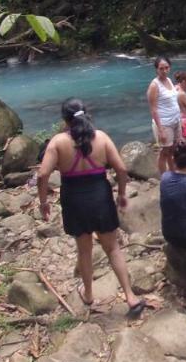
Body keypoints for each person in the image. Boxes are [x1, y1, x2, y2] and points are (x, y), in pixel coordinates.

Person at [37, 98, 143, 314]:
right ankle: (130, 296)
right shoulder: (102, 138)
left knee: (84, 251)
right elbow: (121, 169)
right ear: (87, 114)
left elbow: (42, 174)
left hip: (74, 201)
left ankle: (88, 294)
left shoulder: (58, 142)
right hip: (100, 198)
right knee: (112, 248)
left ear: (65, 120)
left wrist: (43, 202)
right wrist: (121, 194)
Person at [146, 56, 182, 175]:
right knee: (164, 151)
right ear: (157, 69)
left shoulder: (169, 81)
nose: (165, 71)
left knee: (172, 150)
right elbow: (154, 109)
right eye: (161, 68)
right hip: (164, 123)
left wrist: (177, 88)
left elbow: (171, 96)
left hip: (176, 120)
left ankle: (173, 173)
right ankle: (164, 178)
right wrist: (160, 130)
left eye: (167, 68)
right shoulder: (154, 86)